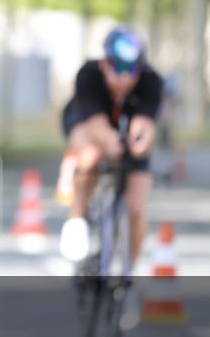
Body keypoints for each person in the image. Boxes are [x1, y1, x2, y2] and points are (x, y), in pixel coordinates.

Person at [59, 27, 162, 271]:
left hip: (124, 127)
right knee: (91, 155)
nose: (125, 79)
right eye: (118, 70)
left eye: (131, 71)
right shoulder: (89, 75)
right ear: (105, 65)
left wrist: (140, 142)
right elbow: (97, 126)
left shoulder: (151, 80)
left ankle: (129, 272)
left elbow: (145, 124)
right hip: (87, 122)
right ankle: (77, 217)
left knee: (136, 208)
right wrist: (112, 143)